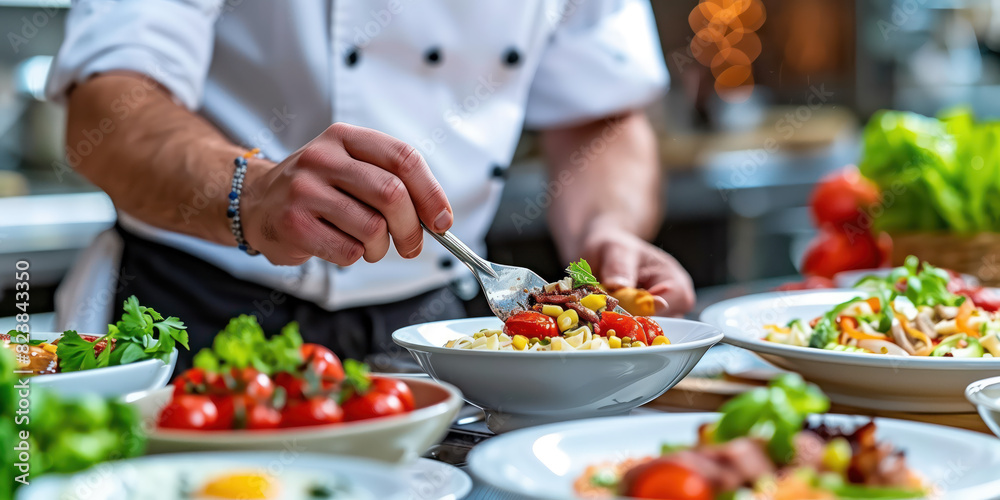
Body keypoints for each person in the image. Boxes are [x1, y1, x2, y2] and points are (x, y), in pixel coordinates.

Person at [46, 0, 695, 370]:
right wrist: (253, 192)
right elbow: (106, 108)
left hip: (442, 327)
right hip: (199, 308)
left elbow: (600, 112)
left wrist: (605, 228)